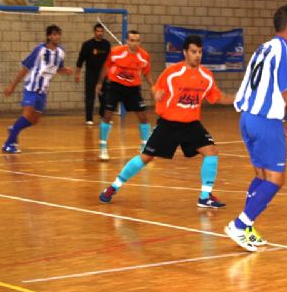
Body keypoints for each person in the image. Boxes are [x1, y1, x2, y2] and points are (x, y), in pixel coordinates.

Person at [225, 4, 287, 252]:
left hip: (248, 118)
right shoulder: (285, 51)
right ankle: (240, 224)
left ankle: (247, 228)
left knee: (261, 176)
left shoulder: (263, 48)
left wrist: (276, 120)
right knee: (276, 180)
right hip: (264, 120)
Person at [99, 34, 234, 207]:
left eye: (200, 52)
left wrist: (237, 99)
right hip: (169, 123)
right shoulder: (172, 73)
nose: (198, 55)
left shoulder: (206, 75)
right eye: (194, 51)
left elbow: (216, 97)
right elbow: (156, 87)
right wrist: (156, 93)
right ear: (185, 53)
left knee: (211, 151)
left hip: (191, 124)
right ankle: (114, 186)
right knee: (146, 157)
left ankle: (205, 196)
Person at [1, 24, 72, 153]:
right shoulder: (39, 50)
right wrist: (12, 86)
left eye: (58, 34)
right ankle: (8, 144)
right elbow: (24, 69)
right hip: (31, 87)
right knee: (27, 115)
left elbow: (57, 68)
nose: (57, 37)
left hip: (43, 90)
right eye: (54, 34)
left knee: (34, 120)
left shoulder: (61, 52)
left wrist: (65, 70)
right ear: (49, 36)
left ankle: (14, 129)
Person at [96, 30, 154, 161]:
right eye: (132, 40)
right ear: (127, 41)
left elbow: (147, 72)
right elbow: (106, 66)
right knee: (107, 115)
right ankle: (103, 147)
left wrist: (153, 87)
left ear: (140, 42)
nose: (134, 43)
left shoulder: (144, 56)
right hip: (115, 86)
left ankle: (145, 146)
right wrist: (100, 83)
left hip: (133, 88)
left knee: (143, 116)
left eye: (137, 41)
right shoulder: (116, 52)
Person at [75, 23, 111, 125]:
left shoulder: (106, 44)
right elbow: (80, 60)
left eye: (101, 31)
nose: (99, 33)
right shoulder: (87, 45)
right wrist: (77, 73)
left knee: (104, 96)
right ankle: (89, 118)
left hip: (103, 74)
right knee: (90, 95)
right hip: (91, 73)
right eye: (97, 31)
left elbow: (109, 60)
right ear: (94, 32)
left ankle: (103, 114)